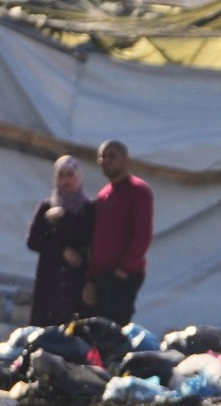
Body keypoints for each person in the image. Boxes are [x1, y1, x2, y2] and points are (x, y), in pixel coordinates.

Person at [82, 140, 152, 324]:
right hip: (101, 275)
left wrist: (125, 268)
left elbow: (142, 234)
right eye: (103, 157)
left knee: (115, 328)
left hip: (122, 274)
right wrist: (90, 278)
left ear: (125, 160)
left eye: (112, 156)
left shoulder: (138, 190)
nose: (107, 161)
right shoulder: (103, 194)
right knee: (97, 328)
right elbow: (97, 238)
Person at [26, 155, 99, 327]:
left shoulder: (89, 210)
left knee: (74, 329)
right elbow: (33, 240)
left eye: (70, 174)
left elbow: (88, 238)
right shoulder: (47, 207)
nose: (66, 180)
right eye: (61, 175)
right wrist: (61, 251)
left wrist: (63, 218)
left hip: (77, 280)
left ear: (79, 177)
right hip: (50, 279)